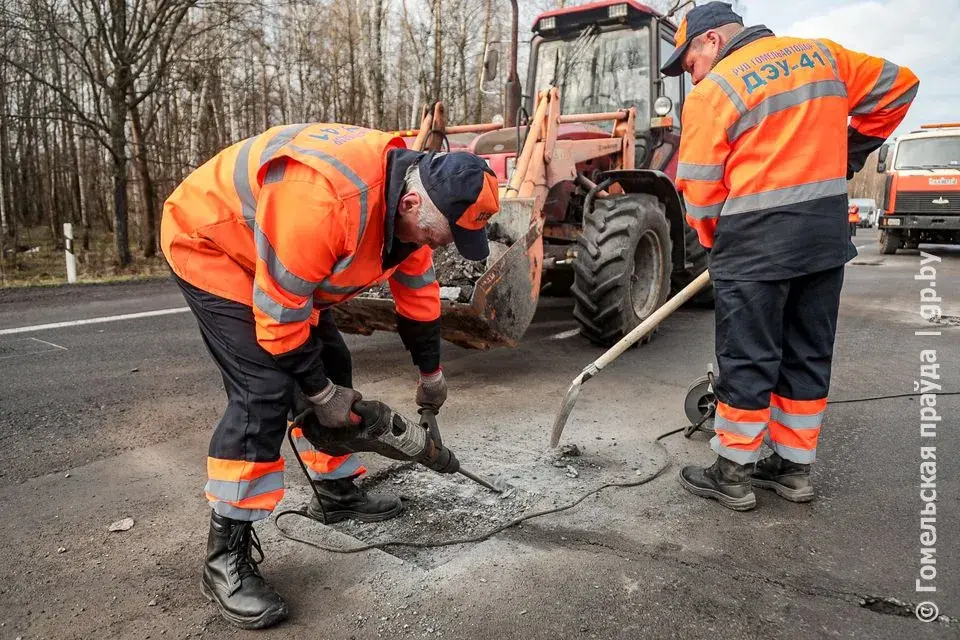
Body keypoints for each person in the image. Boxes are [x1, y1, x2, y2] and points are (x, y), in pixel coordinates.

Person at [160, 123, 499, 628]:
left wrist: (432, 373)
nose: (442, 245)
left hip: (282, 256)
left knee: (335, 366)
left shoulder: (413, 201)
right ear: (410, 206)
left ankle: (338, 492)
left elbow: (420, 299)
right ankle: (224, 558)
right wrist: (318, 393)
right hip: (215, 243)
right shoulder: (325, 203)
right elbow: (278, 318)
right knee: (265, 391)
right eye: (443, 235)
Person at [662, 2, 918, 510]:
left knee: (748, 357)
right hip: (823, 239)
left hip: (753, 243)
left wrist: (715, 242)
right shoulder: (824, 56)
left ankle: (732, 471)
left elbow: (700, 188)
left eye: (688, 65)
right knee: (806, 352)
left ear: (711, 41)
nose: (691, 77)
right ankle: (793, 469)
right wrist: (850, 150)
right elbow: (901, 86)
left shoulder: (716, 90)